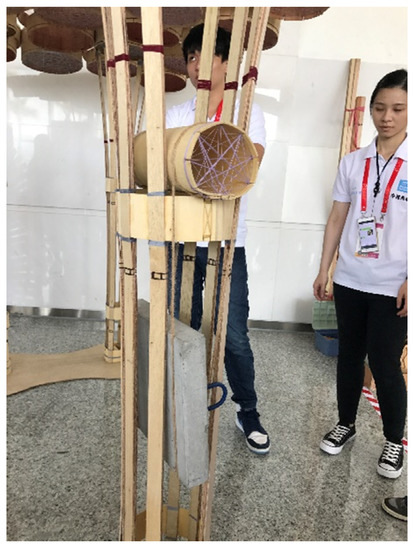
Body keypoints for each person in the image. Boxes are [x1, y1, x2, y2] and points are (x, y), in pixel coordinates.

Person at [166, 23, 270, 454]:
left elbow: (247, 166)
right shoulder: (177, 115)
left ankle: (248, 411)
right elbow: (167, 171)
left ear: (226, 62)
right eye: (190, 58)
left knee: (234, 333)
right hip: (183, 240)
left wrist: (196, 165)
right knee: (184, 325)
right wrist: (209, 165)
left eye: (204, 55)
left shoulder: (247, 115)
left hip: (229, 241)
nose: (195, 66)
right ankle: (185, 403)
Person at [313, 69, 408, 478]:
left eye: (398, 109)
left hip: (393, 285)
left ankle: (393, 441)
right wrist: (325, 268)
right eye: (380, 108)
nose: (387, 117)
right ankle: (346, 424)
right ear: (370, 110)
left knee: (385, 363)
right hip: (350, 278)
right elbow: (337, 218)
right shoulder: (353, 162)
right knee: (349, 356)